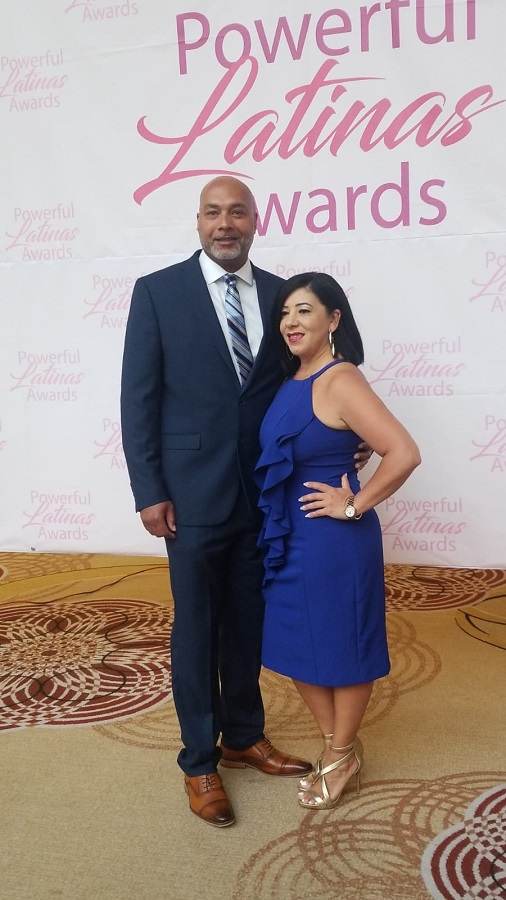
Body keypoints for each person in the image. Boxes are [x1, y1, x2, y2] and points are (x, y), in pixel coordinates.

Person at [120, 177, 371, 828]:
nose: (225, 223)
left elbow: (304, 386)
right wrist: (150, 490)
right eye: (213, 212)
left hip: (267, 496)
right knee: (197, 628)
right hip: (189, 496)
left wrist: (344, 443)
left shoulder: (283, 297)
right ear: (198, 221)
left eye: (237, 212)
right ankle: (199, 761)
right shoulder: (158, 292)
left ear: (256, 221)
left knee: (248, 622)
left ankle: (243, 735)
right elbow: (138, 399)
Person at [255, 272, 421, 811]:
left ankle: (340, 751)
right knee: (296, 644)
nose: (291, 322)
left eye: (304, 310)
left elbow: (403, 452)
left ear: (334, 319)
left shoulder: (341, 378)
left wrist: (353, 503)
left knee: (342, 646)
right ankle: (338, 747)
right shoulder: (291, 379)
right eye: (285, 313)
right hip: (289, 535)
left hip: (334, 543)